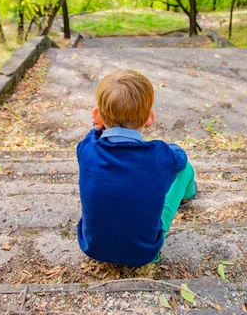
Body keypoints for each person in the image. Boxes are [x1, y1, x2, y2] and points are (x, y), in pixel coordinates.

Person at [76, 69, 197, 267]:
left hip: (93, 247)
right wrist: (170, 148)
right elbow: (180, 158)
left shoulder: (85, 150)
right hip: (143, 253)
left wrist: (95, 127)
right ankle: (188, 195)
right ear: (150, 118)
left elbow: (91, 138)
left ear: (97, 115)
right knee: (185, 169)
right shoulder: (161, 155)